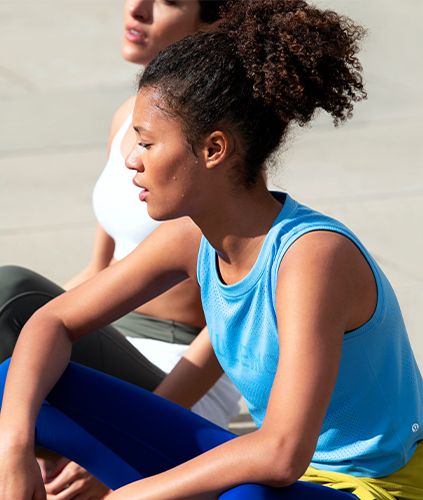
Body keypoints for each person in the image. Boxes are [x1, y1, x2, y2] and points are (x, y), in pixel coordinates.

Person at [1, 0, 422, 498]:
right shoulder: (190, 236)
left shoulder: (312, 257)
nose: (132, 160)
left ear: (213, 150)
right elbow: (53, 321)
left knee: (249, 494)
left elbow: (281, 454)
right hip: (278, 475)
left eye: (148, 143)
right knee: (20, 382)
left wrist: (130, 494)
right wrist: (13, 448)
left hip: (370, 487)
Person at [0, 1, 241, 498]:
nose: (137, 8)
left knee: (9, 294)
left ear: (211, 21)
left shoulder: (218, 148)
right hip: (107, 333)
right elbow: (98, 270)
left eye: (168, 0)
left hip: (180, 370)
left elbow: (229, 331)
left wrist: (123, 441)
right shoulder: (127, 121)